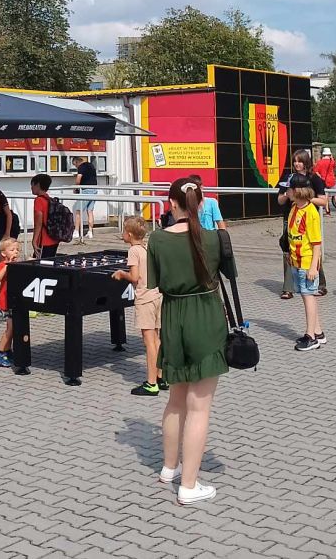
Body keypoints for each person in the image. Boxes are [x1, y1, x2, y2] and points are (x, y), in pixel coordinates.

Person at [149, 177, 234, 505]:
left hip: (173, 318)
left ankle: (169, 468)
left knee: (175, 401)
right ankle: (189, 485)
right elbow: (229, 276)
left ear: (171, 203)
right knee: (199, 407)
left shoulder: (157, 239)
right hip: (205, 317)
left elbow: (154, 283)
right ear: (201, 204)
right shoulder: (215, 238)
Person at [112, 216, 164, 397]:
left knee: (149, 342)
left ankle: (151, 384)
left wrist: (121, 274)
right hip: (156, 295)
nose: (122, 234)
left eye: (123, 231)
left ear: (129, 234)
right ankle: (161, 376)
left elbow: (134, 277)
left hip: (144, 298)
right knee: (157, 339)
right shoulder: (147, 247)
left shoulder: (133, 251)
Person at [276, 150, 329, 299]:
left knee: (311, 248)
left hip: (307, 218)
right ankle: (288, 287)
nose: (296, 164)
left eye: (300, 161)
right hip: (291, 216)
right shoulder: (289, 178)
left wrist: (304, 198)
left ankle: (319, 282)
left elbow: (323, 201)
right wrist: (287, 195)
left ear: (306, 162)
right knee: (288, 248)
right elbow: (279, 199)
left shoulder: (314, 178)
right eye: (295, 161)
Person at [286, 174, 325, 351]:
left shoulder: (311, 212)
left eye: (288, 189)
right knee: (305, 295)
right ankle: (318, 332)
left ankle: (311, 337)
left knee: (308, 296)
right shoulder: (294, 207)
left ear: (296, 191)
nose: (286, 192)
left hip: (307, 262)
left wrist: (313, 267)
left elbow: (316, 243)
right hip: (296, 260)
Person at [0, 236, 20, 368]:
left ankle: (7, 350)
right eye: (12, 250)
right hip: (5, 303)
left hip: (14, 301)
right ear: (4, 253)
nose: (15, 252)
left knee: (14, 329)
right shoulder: (2, 265)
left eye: (17, 249)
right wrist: (7, 266)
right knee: (10, 329)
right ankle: (0, 352)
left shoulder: (16, 264)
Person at [30, 173, 58, 261]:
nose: (31, 188)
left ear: (37, 185)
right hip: (54, 238)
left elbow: (38, 222)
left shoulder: (38, 200)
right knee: (50, 263)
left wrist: (34, 240)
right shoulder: (50, 200)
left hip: (44, 240)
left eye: (32, 185)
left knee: (41, 264)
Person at [72, 155, 98, 241]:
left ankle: (76, 231)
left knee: (78, 211)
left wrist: (75, 188)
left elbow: (78, 179)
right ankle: (90, 232)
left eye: (75, 165)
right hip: (94, 190)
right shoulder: (91, 165)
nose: (75, 167)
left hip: (86, 191)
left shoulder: (81, 167)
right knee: (90, 211)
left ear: (77, 162)